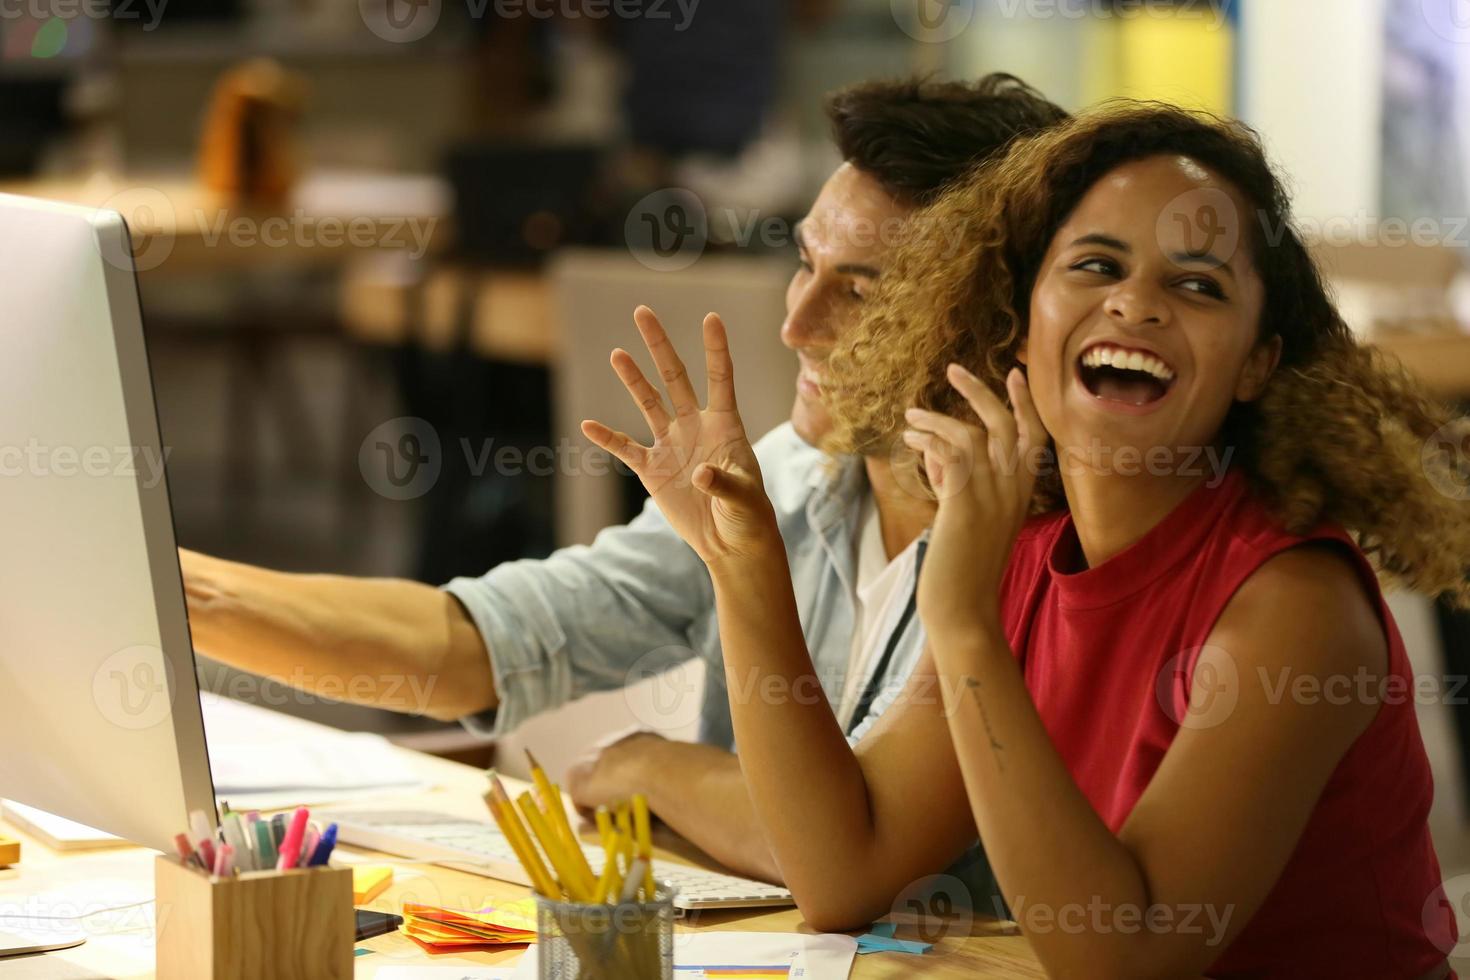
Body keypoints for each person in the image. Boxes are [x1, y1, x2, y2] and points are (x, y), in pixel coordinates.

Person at [582, 103, 1469, 977]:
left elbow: (1123, 956)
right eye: (1095, 264)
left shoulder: (1293, 606)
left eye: (1197, 285)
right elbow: (842, 871)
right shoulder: (1030, 552)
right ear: (1021, 311)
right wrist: (743, 564)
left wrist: (963, 620)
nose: (1136, 303)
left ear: (1256, 361)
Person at [178, 75, 1068, 884]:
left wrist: (656, 767)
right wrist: (181, 590)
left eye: (862, 296)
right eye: (805, 264)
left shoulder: (1040, 548)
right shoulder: (803, 477)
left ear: (987, 321)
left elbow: (848, 853)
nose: (797, 325)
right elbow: (480, 645)